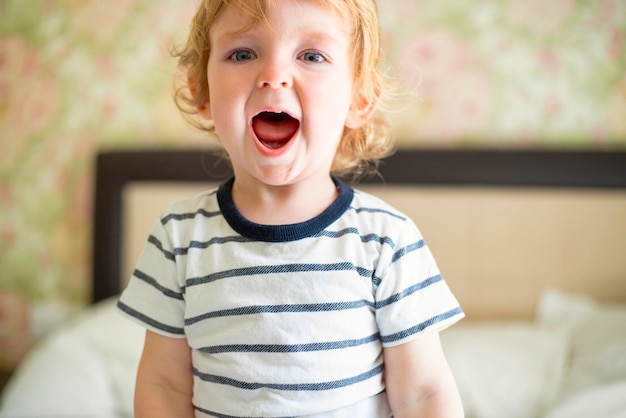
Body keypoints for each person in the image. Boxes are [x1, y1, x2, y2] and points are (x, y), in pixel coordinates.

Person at [117, 0, 465, 416]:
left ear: (361, 97)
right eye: (243, 54)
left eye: (312, 55)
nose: (273, 76)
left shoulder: (385, 240)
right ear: (202, 91)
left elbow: (424, 393)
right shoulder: (179, 237)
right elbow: (164, 385)